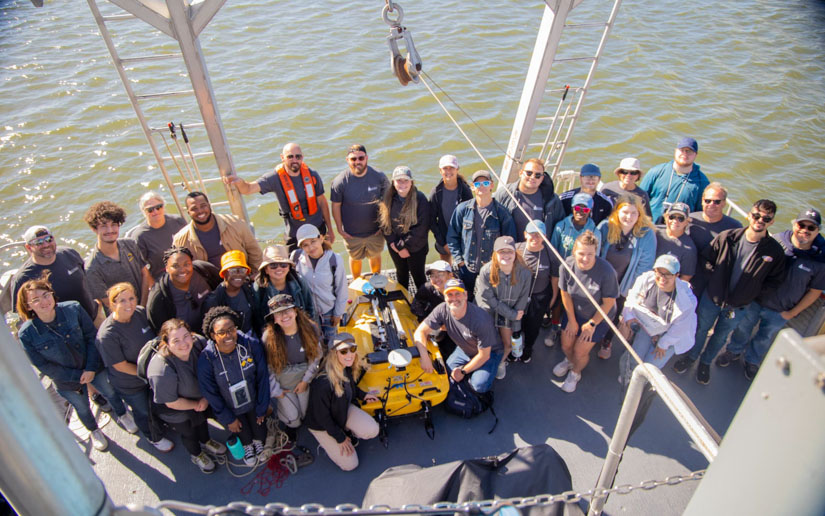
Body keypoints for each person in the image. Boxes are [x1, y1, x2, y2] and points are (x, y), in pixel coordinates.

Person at [673, 200, 787, 385]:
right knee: (701, 329)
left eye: (766, 218)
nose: (760, 221)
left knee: (720, 336)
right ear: (749, 216)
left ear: (772, 222)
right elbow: (706, 258)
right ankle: (691, 357)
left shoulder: (774, 251)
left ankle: (705, 363)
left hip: (739, 305)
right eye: (756, 216)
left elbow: (775, 280)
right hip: (712, 297)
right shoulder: (728, 237)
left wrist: (752, 293)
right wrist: (715, 280)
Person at [17, 276, 132, 452]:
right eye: (35, 300)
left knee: (110, 390)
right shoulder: (27, 334)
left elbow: (91, 337)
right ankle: (94, 430)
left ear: (53, 295)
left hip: (94, 367)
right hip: (67, 381)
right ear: (28, 306)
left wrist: (91, 369)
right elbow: (43, 365)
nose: (43, 302)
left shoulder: (73, 309)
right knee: (82, 407)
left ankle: (123, 414)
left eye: (46, 295)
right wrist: (77, 376)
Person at [720, 208, 825, 380]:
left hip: (781, 310)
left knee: (765, 337)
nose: (805, 230)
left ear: (817, 231)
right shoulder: (776, 241)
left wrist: (792, 313)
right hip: (755, 301)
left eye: (811, 228)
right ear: (794, 225)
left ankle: (752, 361)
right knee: (742, 328)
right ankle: (733, 351)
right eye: (801, 225)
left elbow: (814, 292)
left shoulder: (819, 261)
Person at [95, 282, 174, 452]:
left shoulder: (139, 312)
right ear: (112, 304)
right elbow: (120, 365)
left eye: (131, 298)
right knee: (142, 411)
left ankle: (160, 424)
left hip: (151, 374)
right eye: (122, 300)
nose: (129, 304)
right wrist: (147, 374)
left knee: (156, 403)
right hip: (131, 383)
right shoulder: (107, 335)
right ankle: (153, 437)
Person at [147, 319, 227, 474]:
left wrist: (204, 400)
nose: (183, 343)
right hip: (175, 407)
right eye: (176, 340)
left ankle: (206, 441)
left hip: (199, 400)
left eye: (186, 336)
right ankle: (196, 454)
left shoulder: (198, 344)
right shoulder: (161, 370)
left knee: (202, 421)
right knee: (188, 432)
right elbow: (171, 402)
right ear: (166, 342)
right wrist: (197, 404)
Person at [224, 142, 334, 250]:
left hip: (317, 230)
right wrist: (238, 182)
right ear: (283, 157)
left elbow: (322, 202)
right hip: (295, 235)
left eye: (298, 156)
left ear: (302, 157)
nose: (294, 160)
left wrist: (330, 229)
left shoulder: (312, 175)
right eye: (290, 157)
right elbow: (248, 189)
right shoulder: (274, 178)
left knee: (324, 262)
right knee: (294, 266)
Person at [197, 306, 270, 466]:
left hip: (253, 400)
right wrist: (228, 419)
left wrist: (262, 407)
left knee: (260, 431)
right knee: (242, 433)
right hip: (231, 407)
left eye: (231, 329)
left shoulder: (251, 345)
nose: (228, 335)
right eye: (221, 332)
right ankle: (247, 445)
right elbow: (211, 393)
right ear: (212, 335)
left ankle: (258, 442)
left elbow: (263, 377)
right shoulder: (207, 360)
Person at [553, 231, 619, 393]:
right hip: (575, 313)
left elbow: (609, 302)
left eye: (590, 254)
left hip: (599, 317)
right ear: (574, 251)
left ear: (596, 252)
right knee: (566, 345)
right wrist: (572, 320)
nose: (585, 258)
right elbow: (565, 293)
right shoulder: (566, 266)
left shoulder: (607, 272)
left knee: (580, 351)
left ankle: (575, 373)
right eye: (581, 253)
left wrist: (591, 324)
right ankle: (570, 361)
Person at [413, 279, 504, 394]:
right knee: (447, 369)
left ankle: (496, 364)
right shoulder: (442, 309)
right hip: (466, 348)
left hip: (490, 352)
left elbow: (484, 355)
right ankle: (472, 368)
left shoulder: (480, 320)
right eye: (449, 294)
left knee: (479, 386)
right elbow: (420, 332)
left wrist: (463, 371)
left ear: (465, 295)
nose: (454, 298)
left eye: (458, 294)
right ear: (445, 297)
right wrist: (424, 356)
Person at [617, 255, 697, 384]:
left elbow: (680, 328)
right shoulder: (646, 279)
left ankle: (639, 385)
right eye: (659, 272)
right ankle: (627, 376)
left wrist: (663, 344)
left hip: (671, 335)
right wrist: (629, 318)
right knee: (635, 355)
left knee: (651, 365)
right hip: (649, 326)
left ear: (676, 275)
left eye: (668, 274)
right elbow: (632, 298)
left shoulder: (687, 301)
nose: (662, 278)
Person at [305, 333, 380, 471]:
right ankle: (330, 440)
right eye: (344, 351)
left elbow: (351, 389)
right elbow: (322, 417)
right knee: (350, 465)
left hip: (340, 410)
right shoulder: (322, 383)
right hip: (322, 424)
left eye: (352, 349)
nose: (349, 354)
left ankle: (346, 429)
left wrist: (363, 395)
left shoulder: (345, 368)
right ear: (334, 354)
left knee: (373, 430)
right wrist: (340, 438)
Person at [595, 194, 657, 359]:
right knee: (595, 308)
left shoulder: (646, 234)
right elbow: (596, 253)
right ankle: (591, 334)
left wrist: (630, 291)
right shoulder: (605, 227)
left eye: (633, 213)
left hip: (625, 285)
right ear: (617, 211)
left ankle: (607, 341)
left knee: (615, 314)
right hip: (601, 281)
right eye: (625, 212)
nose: (628, 217)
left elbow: (645, 266)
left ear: (639, 215)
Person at [262, 294, 322, 460]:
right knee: (293, 420)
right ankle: (289, 427)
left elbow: (316, 357)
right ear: (274, 319)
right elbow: (267, 368)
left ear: (296, 311)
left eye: (287, 310)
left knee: (305, 414)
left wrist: (305, 381)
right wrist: (277, 390)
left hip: (303, 381)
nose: (284, 316)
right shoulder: (268, 338)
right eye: (279, 313)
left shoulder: (311, 329)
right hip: (284, 386)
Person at [446, 170, 516, 299]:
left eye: (485, 182)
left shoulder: (502, 213)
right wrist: (460, 260)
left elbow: (510, 241)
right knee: (466, 297)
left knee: (491, 299)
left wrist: (500, 265)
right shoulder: (462, 209)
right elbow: (452, 236)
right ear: (472, 187)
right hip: (467, 266)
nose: (481, 186)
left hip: (492, 268)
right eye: (478, 184)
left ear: (491, 185)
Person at [475, 236, 532, 380]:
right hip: (490, 309)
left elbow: (522, 299)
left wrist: (515, 320)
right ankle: (483, 360)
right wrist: (512, 315)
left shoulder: (525, 273)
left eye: (509, 251)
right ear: (495, 254)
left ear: (515, 253)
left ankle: (500, 363)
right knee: (485, 340)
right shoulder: (486, 271)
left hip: (511, 311)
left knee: (508, 343)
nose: (506, 255)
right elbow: (488, 298)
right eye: (502, 251)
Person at [10, 225, 97, 319]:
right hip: (63, 331)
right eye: (38, 242)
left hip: (93, 317)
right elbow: (24, 315)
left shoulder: (70, 253)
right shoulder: (23, 278)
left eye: (48, 239)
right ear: (29, 247)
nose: (46, 245)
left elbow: (88, 280)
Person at [330, 144, 389, 279]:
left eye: (361, 158)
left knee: (375, 255)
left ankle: (377, 280)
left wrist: (383, 225)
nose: (357, 162)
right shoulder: (340, 182)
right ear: (347, 160)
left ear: (366, 158)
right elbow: (336, 206)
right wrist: (339, 228)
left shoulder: (379, 177)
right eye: (353, 159)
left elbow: (388, 202)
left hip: (376, 231)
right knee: (355, 257)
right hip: (351, 234)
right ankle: (356, 281)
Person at [83, 201, 152, 310]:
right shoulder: (91, 268)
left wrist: (142, 307)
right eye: (104, 226)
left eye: (114, 225)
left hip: (145, 307)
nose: (110, 230)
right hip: (122, 315)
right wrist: (133, 311)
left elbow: (144, 274)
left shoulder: (130, 244)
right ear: (94, 229)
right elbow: (107, 302)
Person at [173, 191, 263, 270]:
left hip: (241, 275)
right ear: (188, 212)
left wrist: (254, 274)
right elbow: (181, 268)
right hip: (209, 285)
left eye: (203, 206)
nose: (200, 211)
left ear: (209, 206)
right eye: (194, 209)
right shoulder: (180, 240)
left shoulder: (235, 223)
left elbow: (254, 251)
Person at [291, 224, 348, 349]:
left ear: (321, 238)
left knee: (331, 344)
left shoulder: (335, 260)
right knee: (313, 344)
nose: (310, 247)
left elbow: (341, 289)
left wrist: (338, 313)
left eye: (313, 241)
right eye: (305, 245)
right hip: (307, 314)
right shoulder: (295, 258)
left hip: (329, 312)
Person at [377, 166, 431, 292]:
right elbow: (384, 223)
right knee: (401, 274)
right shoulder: (387, 199)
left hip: (416, 248)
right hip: (395, 247)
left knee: (418, 276)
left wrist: (403, 246)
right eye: (398, 180)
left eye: (406, 180)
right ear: (393, 182)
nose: (402, 184)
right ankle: (404, 301)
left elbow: (422, 227)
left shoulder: (420, 199)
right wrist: (394, 244)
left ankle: (424, 301)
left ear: (411, 182)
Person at [687, 183, 743, 298]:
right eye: (708, 201)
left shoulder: (735, 227)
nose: (711, 204)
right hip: (690, 276)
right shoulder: (689, 220)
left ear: (724, 203)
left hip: (714, 280)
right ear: (702, 201)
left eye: (717, 201)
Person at [146, 246, 220, 333]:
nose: (182, 270)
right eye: (175, 266)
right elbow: (161, 334)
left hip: (216, 331)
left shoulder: (203, 270)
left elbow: (224, 287)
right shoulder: (158, 298)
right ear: (166, 268)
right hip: (186, 341)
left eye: (186, 264)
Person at [516, 220, 559, 362]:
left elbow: (554, 278)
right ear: (525, 234)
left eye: (539, 235)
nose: (535, 238)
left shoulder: (550, 254)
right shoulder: (516, 249)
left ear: (545, 237)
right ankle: (514, 349)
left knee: (532, 326)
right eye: (531, 234)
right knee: (516, 325)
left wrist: (553, 297)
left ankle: (527, 348)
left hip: (538, 297)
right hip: (518, 297)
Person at [639, 137, 710, 223]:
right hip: (651, 227)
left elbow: (701, 213)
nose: (685, 154)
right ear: (675, 151)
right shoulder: (656, 172)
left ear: (696, 154)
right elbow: (639, 199)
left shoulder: (702, 182)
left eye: (689, 151)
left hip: (679, 230)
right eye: (682, 150)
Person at [493, 158, 565, 241]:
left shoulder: (552, 200)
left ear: (542, 178)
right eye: (529, 173)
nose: (532, 177)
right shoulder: (504, 194)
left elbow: (559, 229)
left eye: (537, 175)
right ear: (520, 173)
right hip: (511, 250)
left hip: (539, 249)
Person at [125, 192, 187, 281]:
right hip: (163, 277)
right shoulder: (140, 236)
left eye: (159, 207)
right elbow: (140, 267)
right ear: (144, 212)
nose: (155, 211)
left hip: (187, 269)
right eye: (150, 210)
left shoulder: (178, 222)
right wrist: (152, 286)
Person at [204, 250, 262, 336]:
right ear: (224, 273)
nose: (238, 274)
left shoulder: (249, 289)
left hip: (251, 336)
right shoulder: (214, 300)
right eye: (233, 270)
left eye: (242, 270)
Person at [255, 245, 315, 326]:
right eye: (273, 265)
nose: (279, 268)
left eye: (283, 265)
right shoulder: (258, 288)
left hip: (299, 329)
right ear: (266, 270)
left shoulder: (300, 282)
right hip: (273, 332)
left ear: (289, 267)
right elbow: (257, 317)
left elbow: (310, 308)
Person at [429, 155, 472, 263]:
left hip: (462, 236)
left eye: (451, 168)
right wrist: (443, 242)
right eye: (445, 168)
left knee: (463, 264)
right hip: (443, 237)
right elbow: (432, 220)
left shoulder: (465, 191)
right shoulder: (435, 193)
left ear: (457, 169)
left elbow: (471, 216)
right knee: (445, 266)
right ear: (440, 171)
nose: (448, 171)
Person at [410, 261, 457, 358]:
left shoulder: (460, 289)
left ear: (450, 275)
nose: (436, 279)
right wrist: (426, 323)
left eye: (440, 274)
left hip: (455, 325)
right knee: (437, 337)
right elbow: (416, 307)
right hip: (436, 323)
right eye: (432, 276)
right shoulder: (426, 289)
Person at [655, 202, 697, 281]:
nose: (675, 221)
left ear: (687, 222)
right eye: (672, 217)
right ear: (666, 217)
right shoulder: (653, 232)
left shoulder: (689, 249)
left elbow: (686, 277)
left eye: (681, 218)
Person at [551, 192, 597, 260]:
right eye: (577, 208)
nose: (581, 212)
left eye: (585, 210)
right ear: (572, 208)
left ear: (590, 211)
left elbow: (595, 257)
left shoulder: (595, 232)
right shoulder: (560, 226)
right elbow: (552, 251)